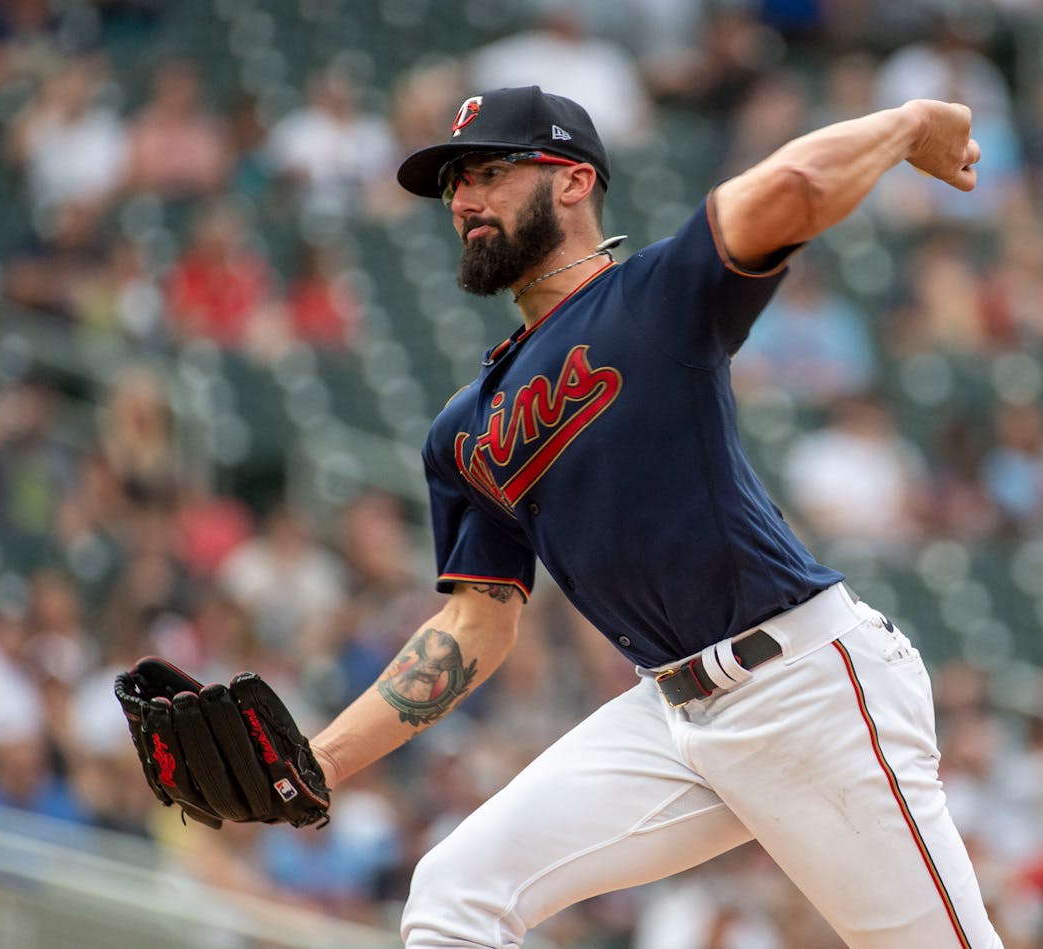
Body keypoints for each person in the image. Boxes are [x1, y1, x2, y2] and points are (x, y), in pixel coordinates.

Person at [297, 85, 999, 947]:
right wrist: (321, 761)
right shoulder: (462, 430)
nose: (463, 200)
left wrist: (909, 125)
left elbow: (789, 191)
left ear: (571, 180)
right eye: (452, 187)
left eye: (486, 172)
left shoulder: (650, 298)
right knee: (454, 893)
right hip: (672, 717)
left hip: (806, 684)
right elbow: (474, 624)